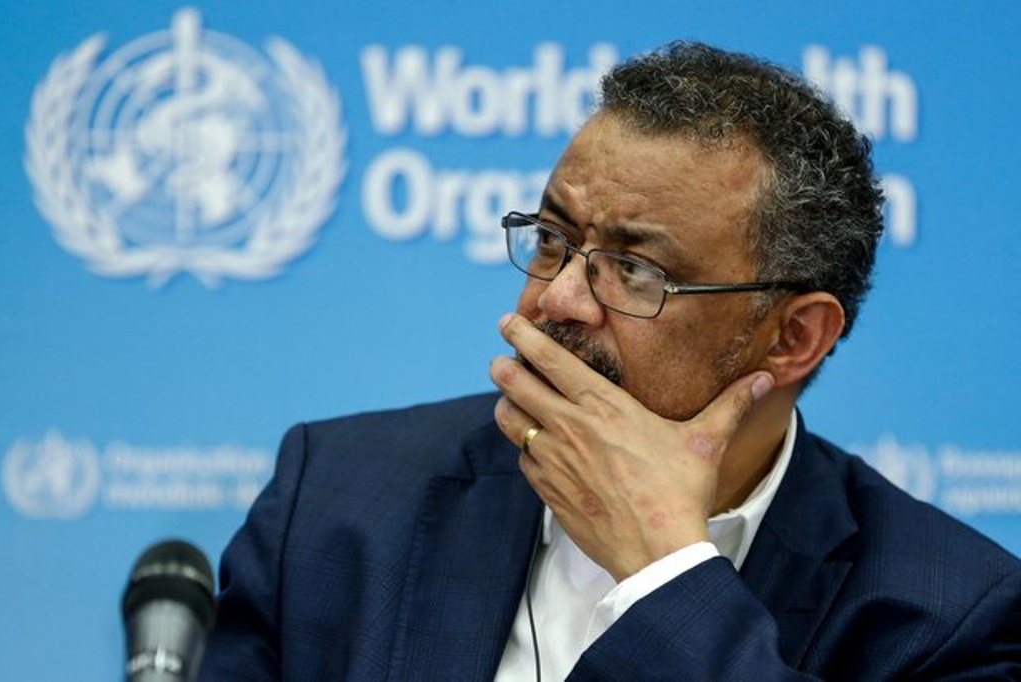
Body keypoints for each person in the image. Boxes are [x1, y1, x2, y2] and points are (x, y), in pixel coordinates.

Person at [199, 42, 1021, 680]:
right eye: (552, 239)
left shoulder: (943, 618)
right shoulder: (336, 504)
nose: (556, 299)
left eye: (634, 269)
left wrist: (667, 572)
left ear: (794, 336)